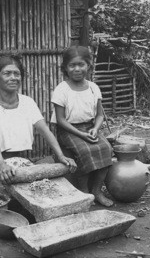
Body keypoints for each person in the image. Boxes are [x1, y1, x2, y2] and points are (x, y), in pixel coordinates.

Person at [0, 56, 77, 196]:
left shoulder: (27, 102)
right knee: (1, 195)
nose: (13, 77)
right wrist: (1, 165)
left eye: (17, 74)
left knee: (34, 192)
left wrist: (60, 155)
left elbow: (45, 130)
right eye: (7, 73)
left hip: (15, 161)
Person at [51, 45, 114, 207]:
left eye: (81, 65)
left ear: (89, 66)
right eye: (72, 65)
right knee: (85, 151)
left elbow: (99, 115)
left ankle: (97, 190)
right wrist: (80, 134)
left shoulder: (93, 88)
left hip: (89, 127)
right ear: (65, 68)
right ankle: (84, 192)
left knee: (106, 149)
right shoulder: (61, 90)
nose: (77, 69)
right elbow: (60, 120)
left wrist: (95, 128)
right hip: (68, 130)